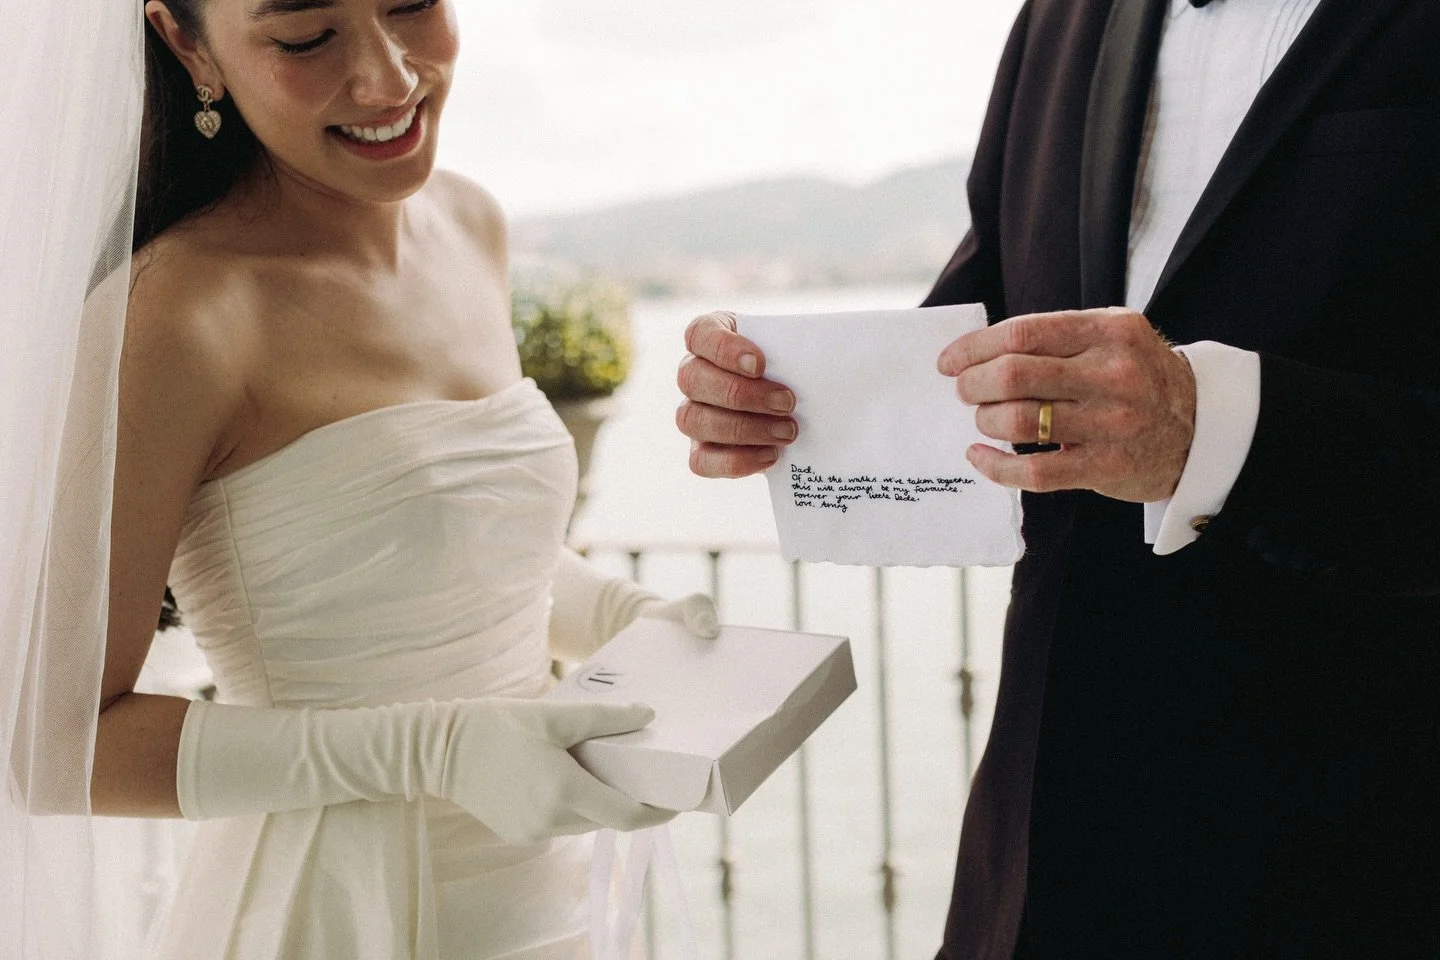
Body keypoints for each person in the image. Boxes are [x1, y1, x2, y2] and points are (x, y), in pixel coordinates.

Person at [675, 0, 1439, 957]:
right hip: (1045, 848)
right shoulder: (1059, 18)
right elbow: (989, 324)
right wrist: (786, 401)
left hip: (1372, 842)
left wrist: (1222, 424)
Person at [95, 1, 717, 957]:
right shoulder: (178, 313)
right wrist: (434, 750)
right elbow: (55, 746)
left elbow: (446, 544)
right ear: (189, 45)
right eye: (306, 37)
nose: (388, 79)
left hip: (549, 893)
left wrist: (619, 612)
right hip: (340, 909)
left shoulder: (469, 224)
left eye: (412, 3)